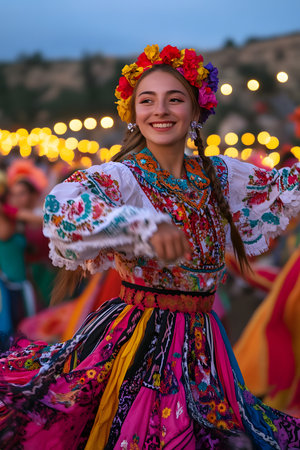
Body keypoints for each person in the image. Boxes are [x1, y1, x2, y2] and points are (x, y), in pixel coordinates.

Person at [0, 44, 300, 449]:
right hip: (141, 342)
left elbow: (286, 187)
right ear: (133, 112)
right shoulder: (123, 178)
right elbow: (64, 209)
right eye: (147, 100)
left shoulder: (222, 176)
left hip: (206, 344)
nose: (160, 110)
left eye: (174, 99)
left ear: (196, 110)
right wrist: (140, 224)